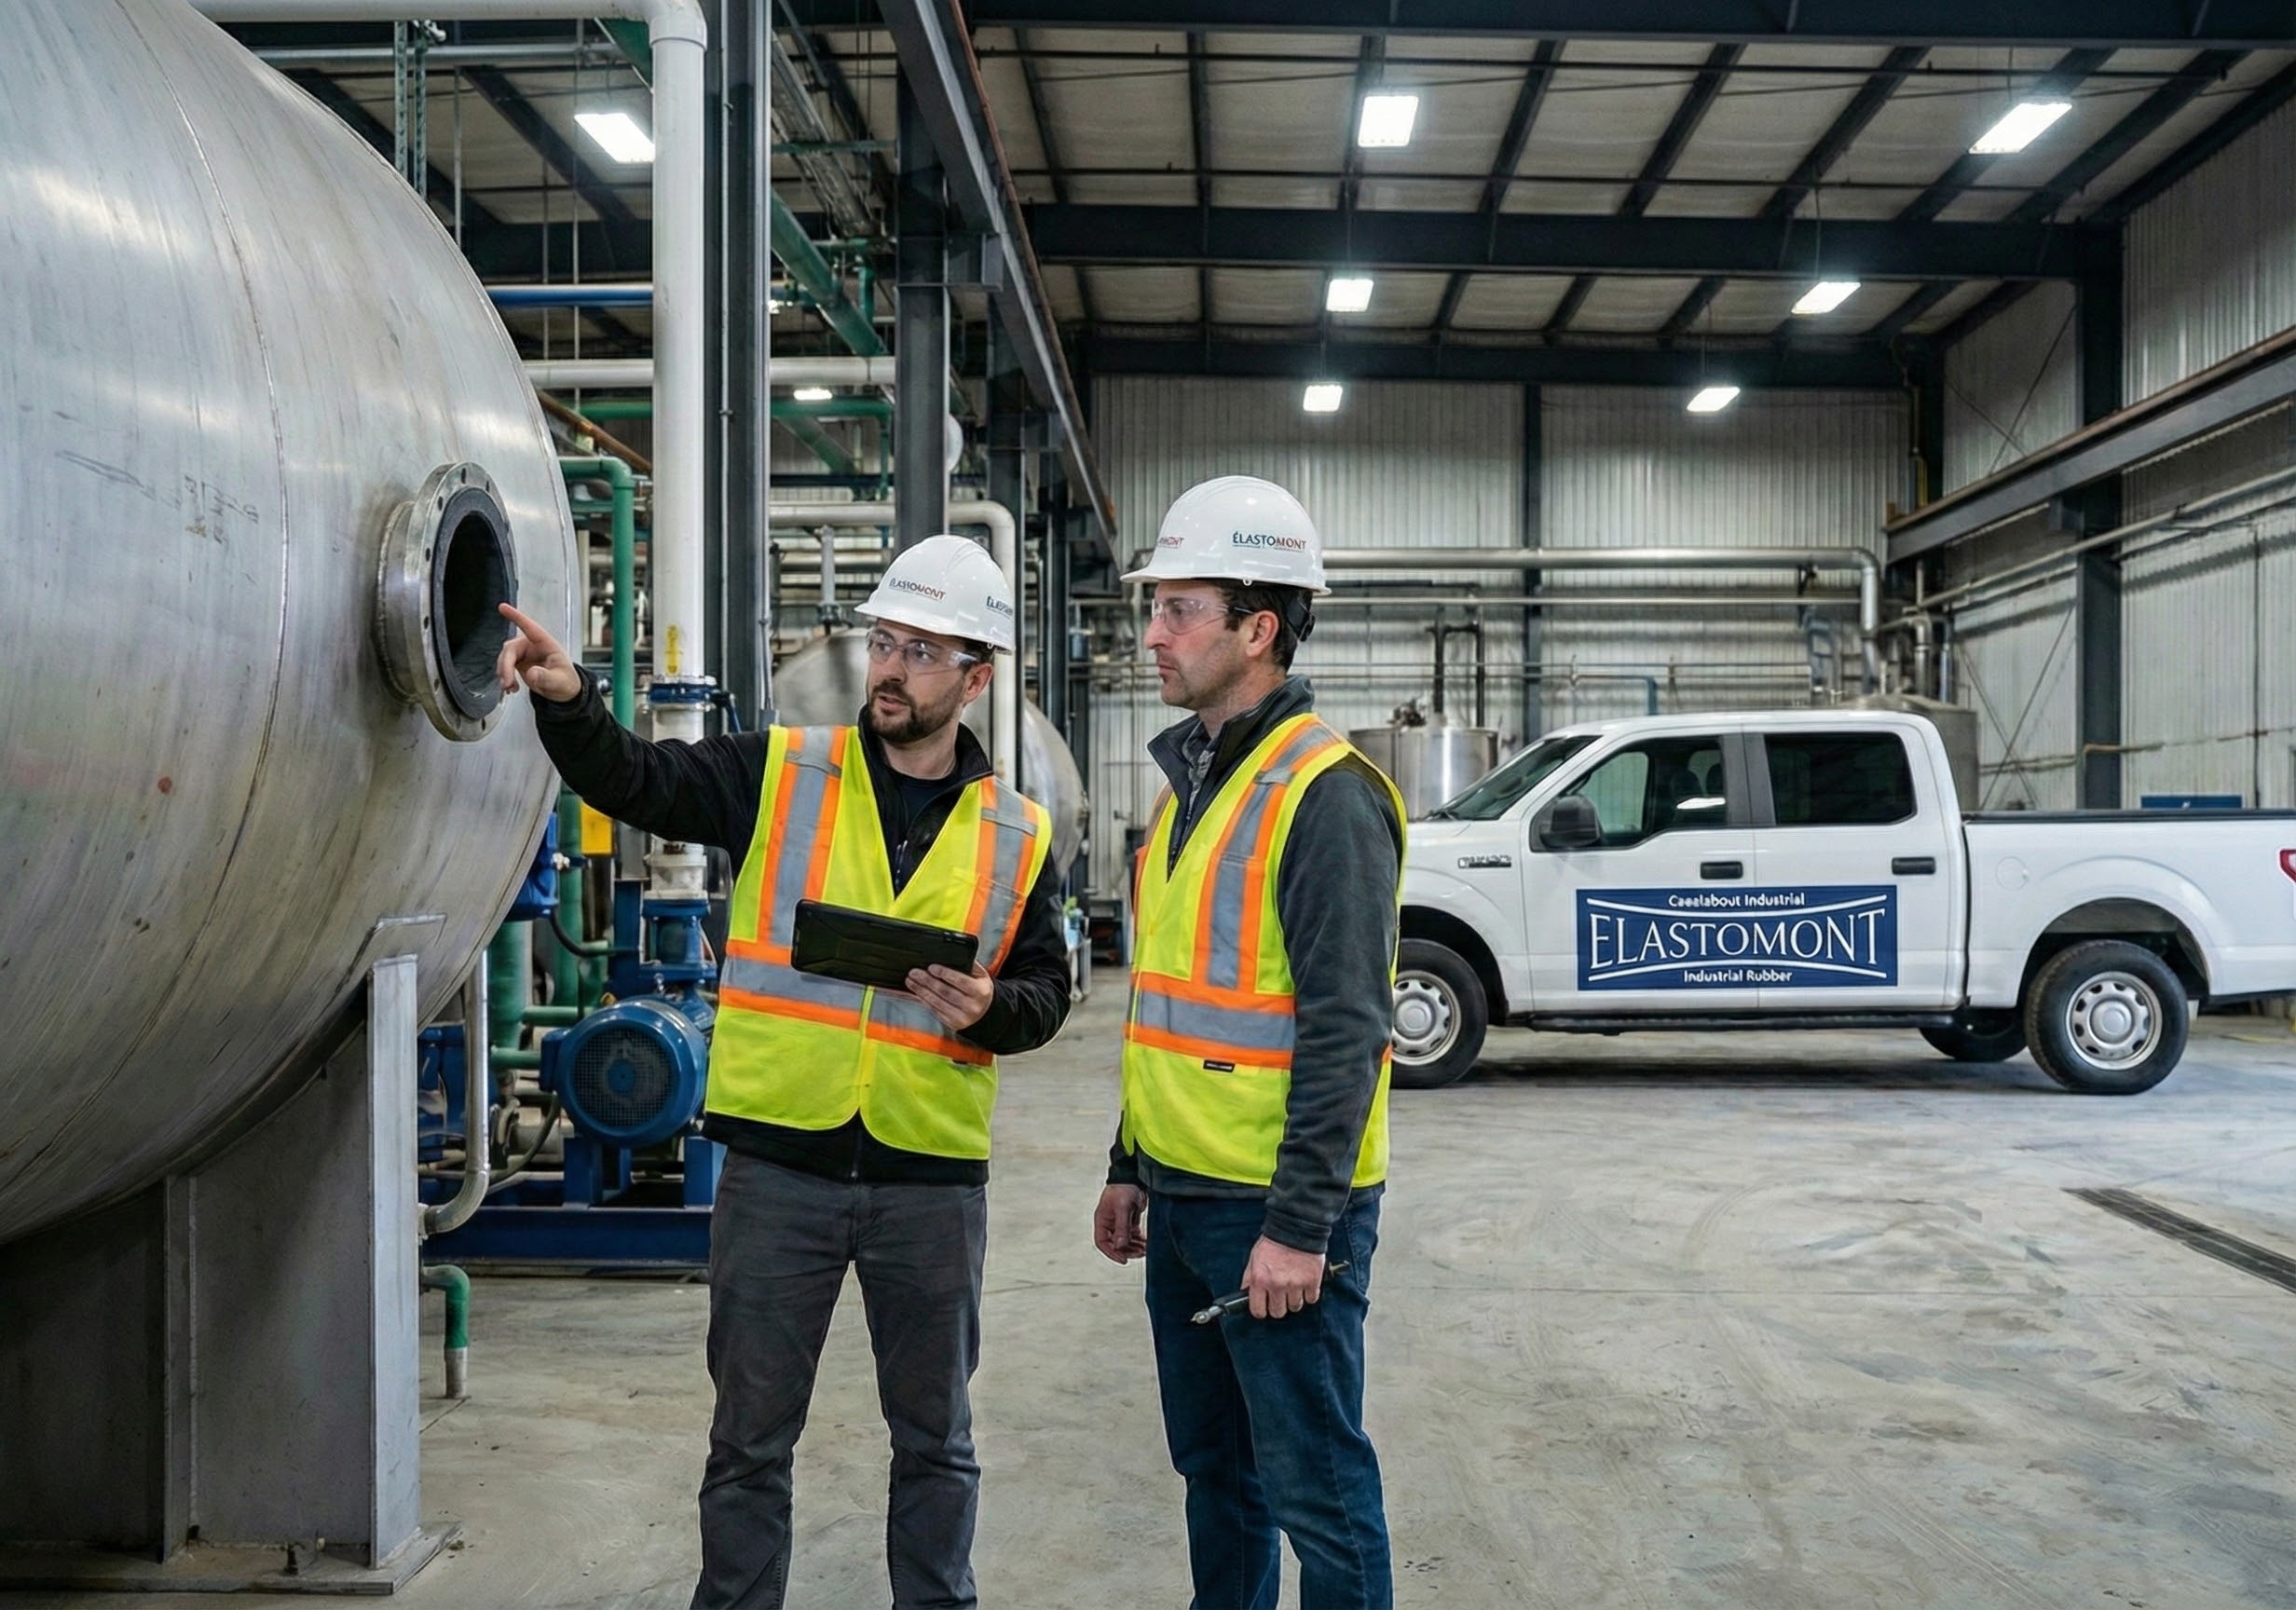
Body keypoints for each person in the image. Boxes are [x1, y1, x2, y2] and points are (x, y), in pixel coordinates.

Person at [496, 534, 1071, 1610]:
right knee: (749, 1443)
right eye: (884, 642)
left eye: (923, 651)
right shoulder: (781, 770)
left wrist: (994, 1011)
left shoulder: (1016, 831)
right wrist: (570, 698)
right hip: (778, 1178)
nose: (891, 668)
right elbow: (640, 779)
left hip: (929, 1182)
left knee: (936, 1442)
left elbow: (1046, 990)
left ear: (977, 679)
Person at [1092, 477, 1405, 1610]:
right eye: (1155, 608)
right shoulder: (1191, 782)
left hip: (1274, 1214)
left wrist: (1297, 1228)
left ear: (1257, 628)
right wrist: (1130, 1166)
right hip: (1182, 1200)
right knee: (1215, 1475)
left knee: (1316, 1488)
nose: (1153, 635)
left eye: (1178, 609)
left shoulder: (1324, 795)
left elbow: (1347, 1030)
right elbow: (1168, 1004)